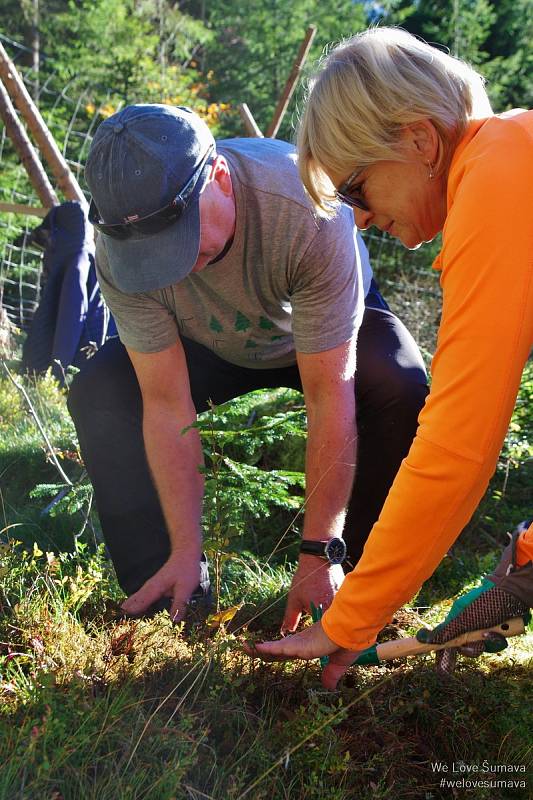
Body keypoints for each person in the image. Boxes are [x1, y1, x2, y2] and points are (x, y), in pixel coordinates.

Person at [68, 103, 428, 624]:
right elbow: (167, 403)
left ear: (218, 178)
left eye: (179, 239)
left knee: (400, 385)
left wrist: (318, 548)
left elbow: (331, 392)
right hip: (210, 340)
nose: (169, 266)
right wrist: (186, 546)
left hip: (316, 333)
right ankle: (171, 591)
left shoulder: (308, 206)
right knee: (101, 393)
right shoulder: (119, 253)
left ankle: (354, 591)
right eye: (149, 255)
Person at [248, 27, 533, 685]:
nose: (359, 220)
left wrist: (350, 619)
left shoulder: (496, 178)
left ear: (418, 141)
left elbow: (457, 444)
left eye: (354, 190)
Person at [21, 201, 116, 385]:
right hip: (90, 365)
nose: (48, 247)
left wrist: (57, 376)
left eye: (51, 237)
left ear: (60, 233)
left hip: (75, 371)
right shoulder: (86, 256)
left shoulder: (76, 264)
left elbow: (71, 321)